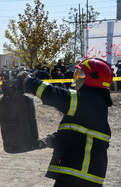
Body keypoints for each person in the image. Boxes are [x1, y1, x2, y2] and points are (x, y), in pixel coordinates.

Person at [17, 58, 113, 187]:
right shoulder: (93, 104)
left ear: (94, 78)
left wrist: (29, 81)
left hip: (80, 177)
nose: (77, 78)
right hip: (77, 176)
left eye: (80, 74)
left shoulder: (89, 101)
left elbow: (56, 95)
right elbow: (76, 133)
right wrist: (48, 141)